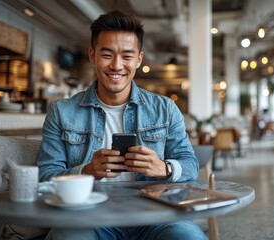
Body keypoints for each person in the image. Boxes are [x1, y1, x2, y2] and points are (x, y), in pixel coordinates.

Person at [37, 10, 207, 240]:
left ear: (138, 59)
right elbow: (46, 178)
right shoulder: (61, 112)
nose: (117, 65)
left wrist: (163, 168)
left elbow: (190, 165)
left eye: (127, 56)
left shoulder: (165, 108)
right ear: (92, 55)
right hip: (88, 217)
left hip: (156, 216)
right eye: (107, 55)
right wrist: (85, 172)